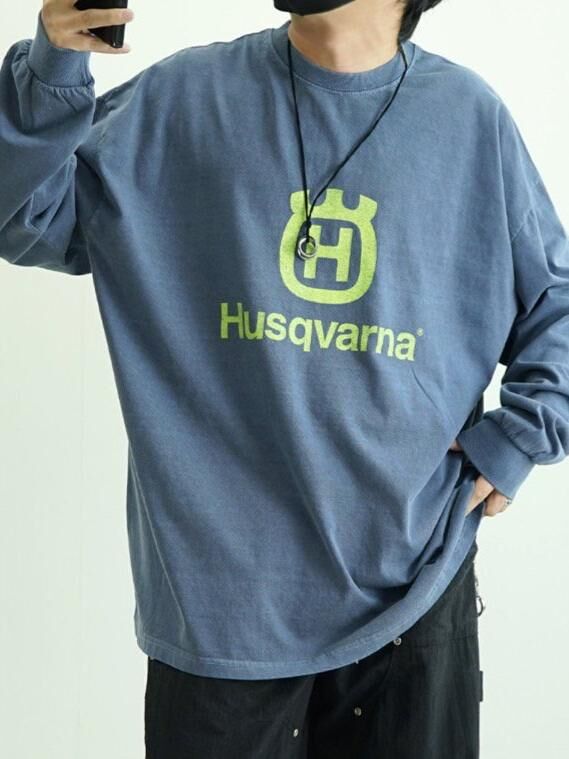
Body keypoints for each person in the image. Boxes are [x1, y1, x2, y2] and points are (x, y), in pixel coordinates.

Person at [1, 1, 568, 756]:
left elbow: (556, 302)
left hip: (414, 596)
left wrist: (521, 437)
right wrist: (52, 70)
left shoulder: (470, 122)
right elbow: (23, 216)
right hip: (220, 616)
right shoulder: (185, 98)